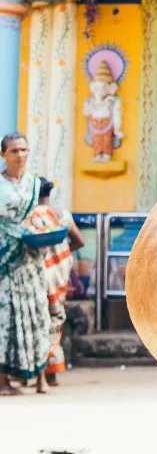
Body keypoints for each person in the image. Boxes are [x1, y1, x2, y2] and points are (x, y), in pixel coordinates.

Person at [0, 134, 51, 396]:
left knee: (38, 315)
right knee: (6, 318)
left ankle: (41, 377)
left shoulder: (34, 183)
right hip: (5, 260)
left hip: (31, 258)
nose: (20, 155)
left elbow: (38, 215)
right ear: (3, 155)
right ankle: (3, 380)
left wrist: (41, 228)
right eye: (14, 151)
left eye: (24, 150)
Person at [26, 179, 84, 387]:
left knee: (38, 321)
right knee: (56, 321)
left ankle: (38, 373)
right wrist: (62, 252)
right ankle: (52, 373)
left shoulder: (33, 216)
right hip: (60, 274)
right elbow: (80, 241)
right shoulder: (62, 214)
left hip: (40, 274)